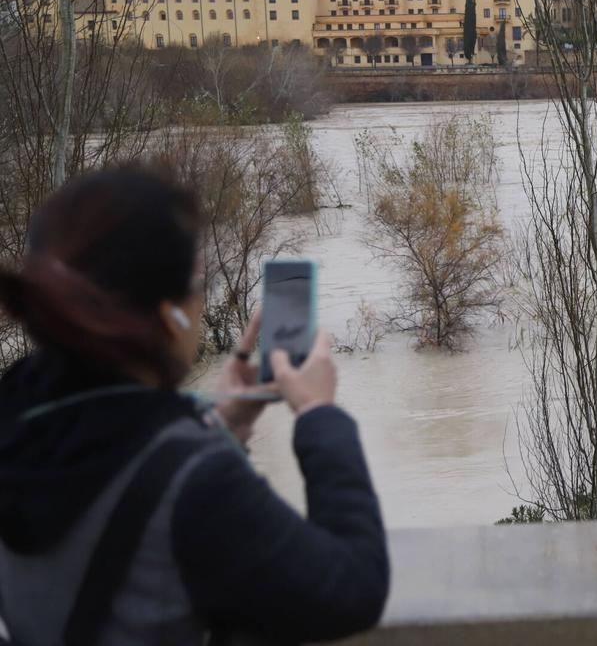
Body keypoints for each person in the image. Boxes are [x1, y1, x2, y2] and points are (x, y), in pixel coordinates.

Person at [0, 167, 388, 644]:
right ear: (171, 313)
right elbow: (352, 589)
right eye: (199, 283)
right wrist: (319, 416)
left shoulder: (18, 419)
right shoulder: (199, 482)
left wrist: (220, 426)